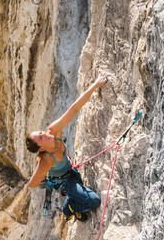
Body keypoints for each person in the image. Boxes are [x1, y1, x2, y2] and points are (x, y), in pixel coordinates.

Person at [25, 73, 111, 221]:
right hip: (64, 183)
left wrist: (95, 85)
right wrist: (45, 176)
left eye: (40, 132)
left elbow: (74, 109)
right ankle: (69, 208)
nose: (44, 134)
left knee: (81, 188)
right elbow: (32, 184)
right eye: (40, 138)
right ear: (40, 149)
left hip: (71, 172)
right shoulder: (45, 161)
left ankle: (74, 201)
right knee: (94, 201)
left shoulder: (53, 131)